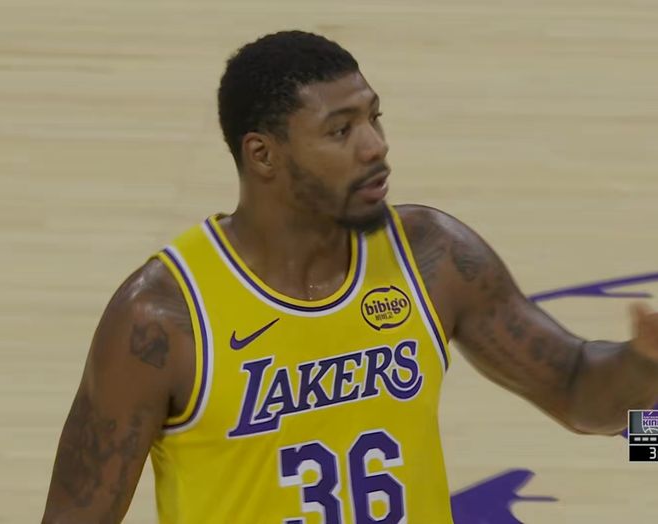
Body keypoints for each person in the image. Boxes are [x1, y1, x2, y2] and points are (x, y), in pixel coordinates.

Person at [42, 30, 658, 524]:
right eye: (341, 130)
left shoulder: (433, 257)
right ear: (263, 154)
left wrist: (644, 369)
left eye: (374, 118)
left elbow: (582, 401)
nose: (375, 146)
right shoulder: (162, 320)